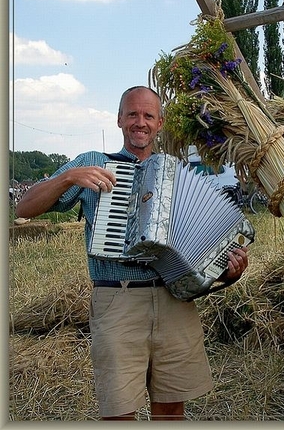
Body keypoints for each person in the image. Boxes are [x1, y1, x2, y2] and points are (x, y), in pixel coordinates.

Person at [16, 85, 249, 420]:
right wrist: (68, 178)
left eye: (148, 116)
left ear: (160, 123)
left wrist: (228, 270)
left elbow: (202, 249)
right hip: (118, 303)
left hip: (174, 302)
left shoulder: (173, 171)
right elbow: (24, 207)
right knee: (119, 411)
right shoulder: (93, 164)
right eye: (133, 114)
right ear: (120, 120)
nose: (140, 122)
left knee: (171, 410)